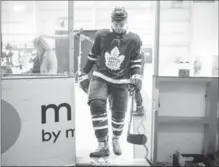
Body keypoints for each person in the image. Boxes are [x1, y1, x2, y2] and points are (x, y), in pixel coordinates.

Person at [78, 7, 143, 158]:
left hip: (122, 80)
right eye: (116, 24)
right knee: (96, 103)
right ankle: (102, 143)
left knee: (119, 113)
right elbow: (93, 56)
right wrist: (83, 72)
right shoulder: (101, 35)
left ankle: (115, 139)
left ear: (127, 22)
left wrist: (137, 76)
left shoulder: (135, 39)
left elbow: (135, 61)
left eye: (122, 24)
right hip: (101, 76)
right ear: (111, 22)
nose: (119, 27)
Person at [132, 49, 147, 116]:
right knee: (137, 91)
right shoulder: (141, 53)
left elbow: (138, 66)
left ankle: (140, 110)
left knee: (137, 91)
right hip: (138, 75)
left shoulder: (139, 53)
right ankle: (140, 108)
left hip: (137, 75)